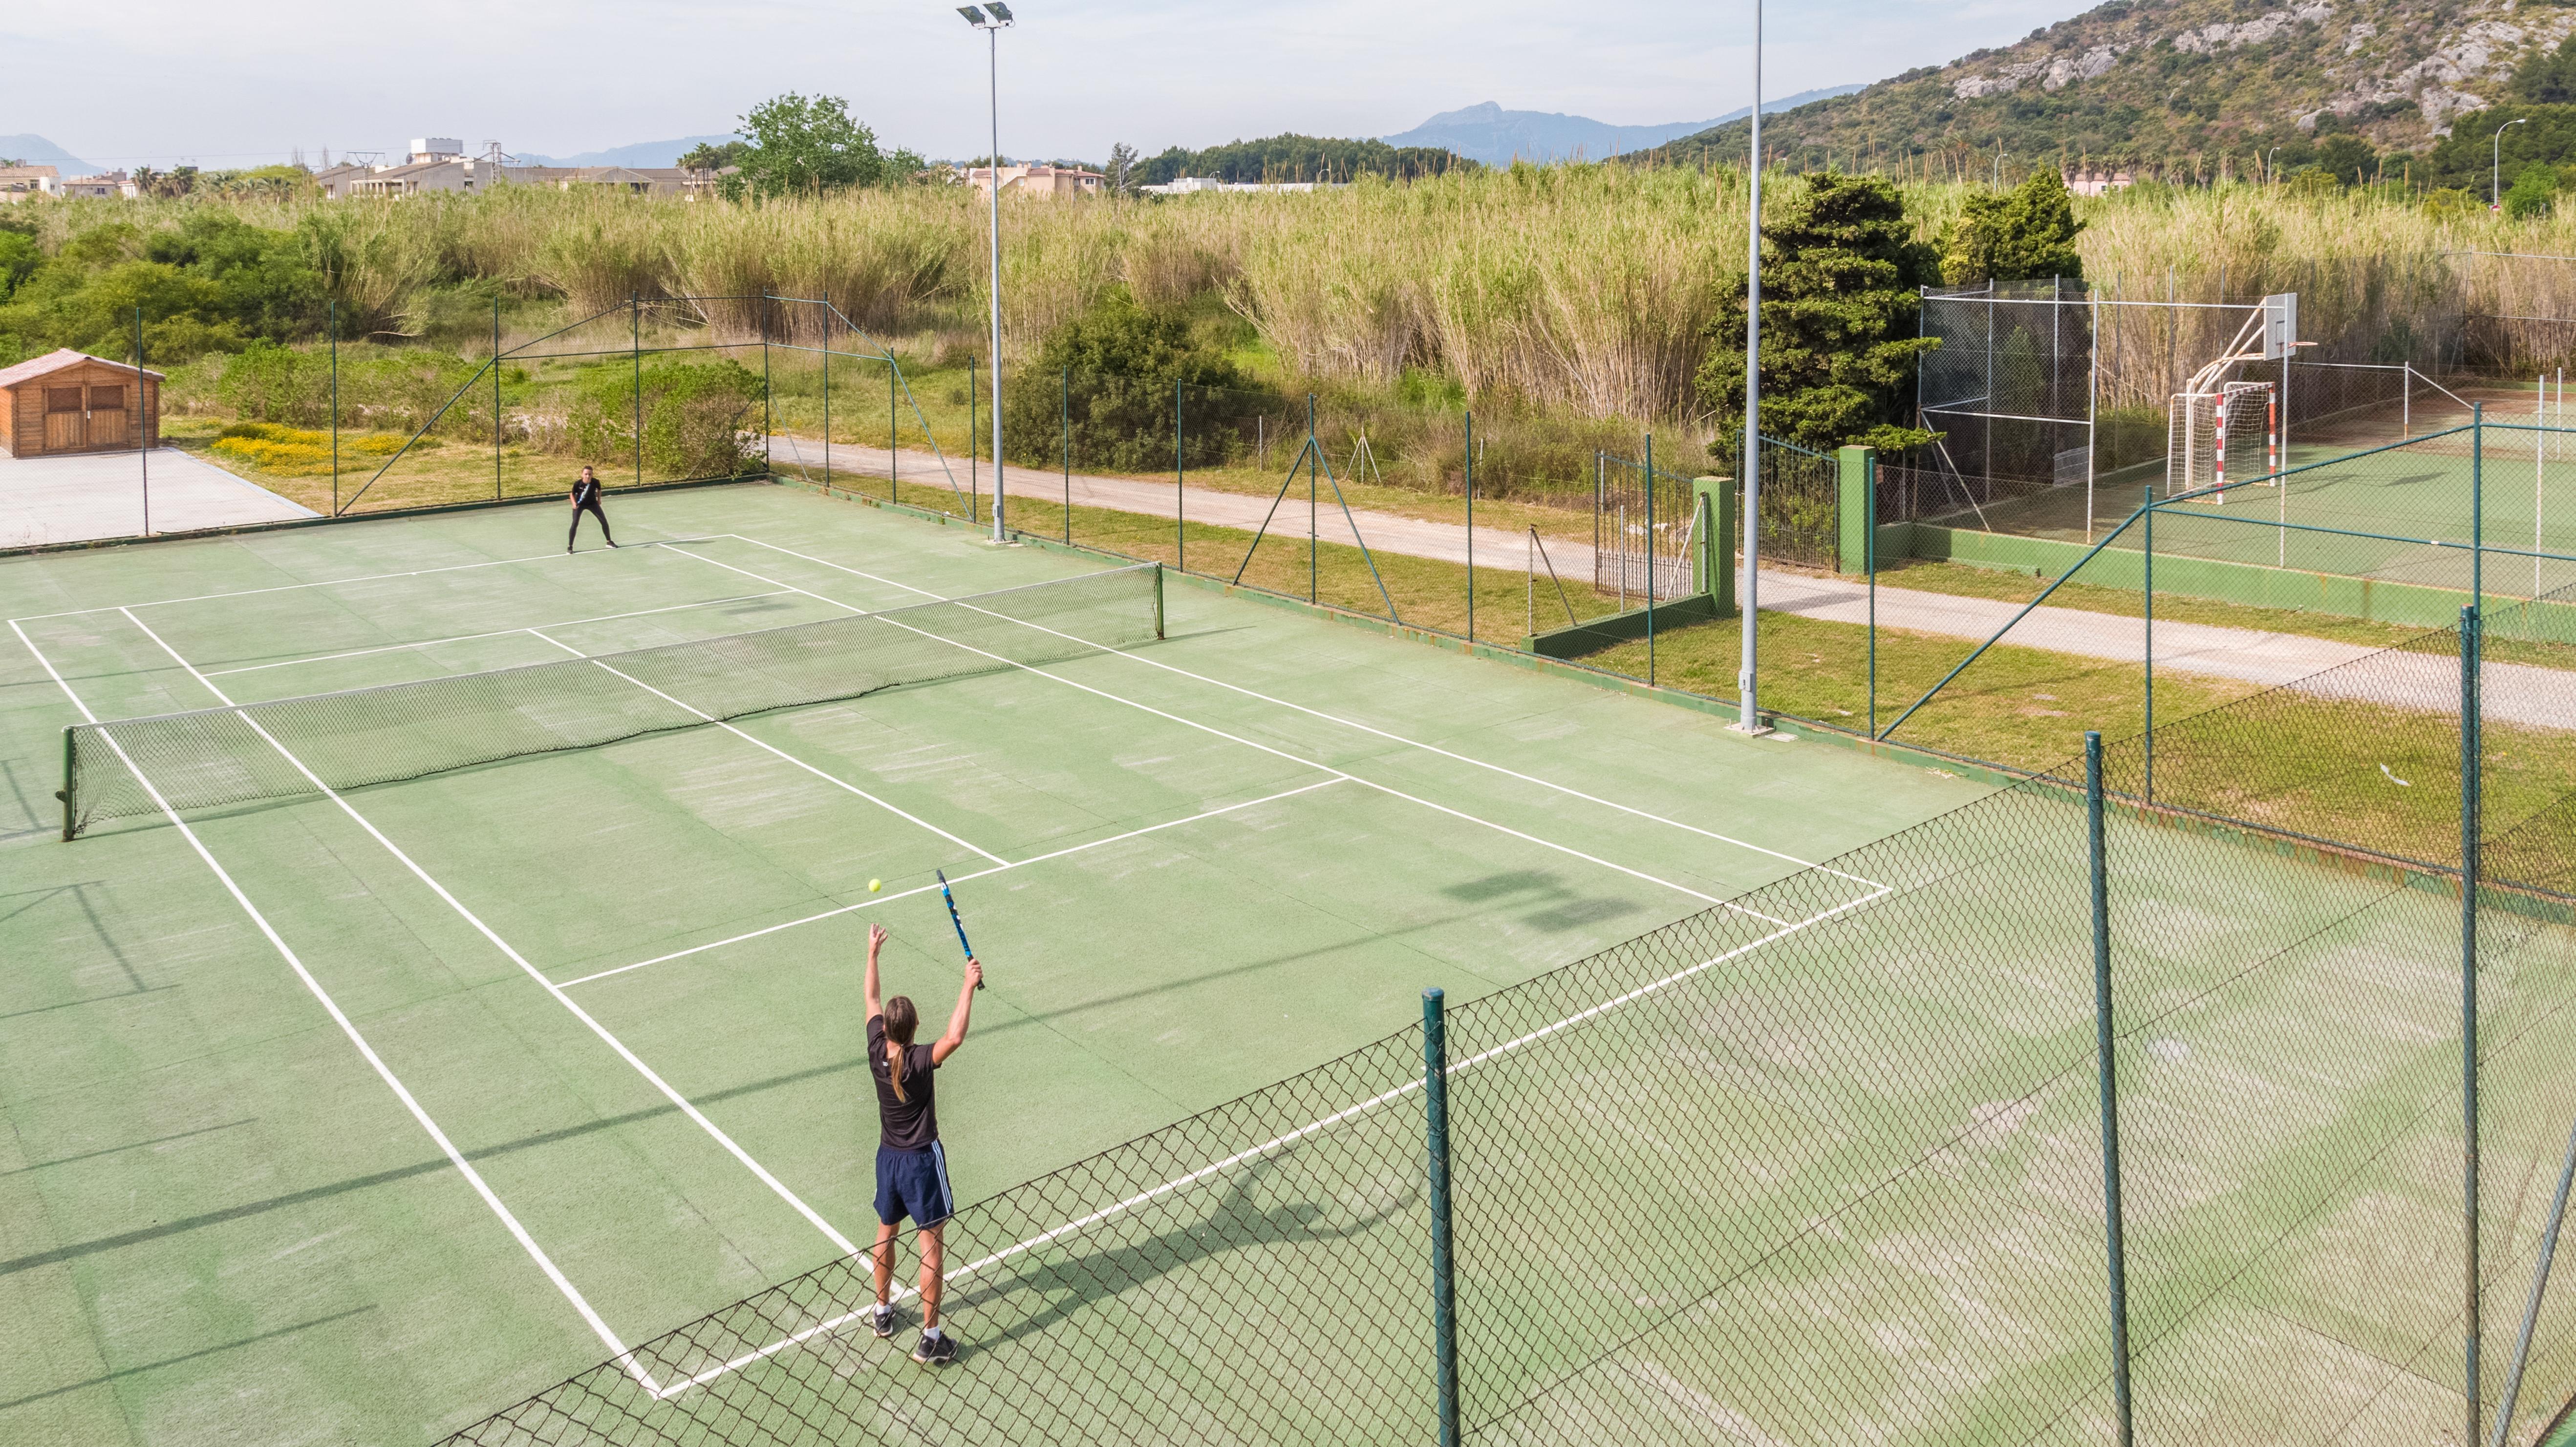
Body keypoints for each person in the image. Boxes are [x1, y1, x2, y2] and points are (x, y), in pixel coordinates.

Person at [863, 921, 980, 1365]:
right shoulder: (917, 1061)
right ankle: (931, 1338)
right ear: (913, 1028)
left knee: (885, 1231)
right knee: (931, 1243)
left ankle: (883, 1312)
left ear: (888, 1030)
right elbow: (954, 1037)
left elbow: (872, 999)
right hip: (921, 1164)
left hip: (888, 1159)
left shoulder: (879, 1052)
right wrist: (968, 985)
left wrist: (873, 954)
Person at [567, 465, 616, 552]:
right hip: (580, 505)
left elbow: (599, 490)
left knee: (604, 521)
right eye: (586, 474)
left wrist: (599, 500)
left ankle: (609, 542)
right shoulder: (578, 484)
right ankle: (570, 547)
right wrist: (574, 504)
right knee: (575, 523)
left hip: (593, 504)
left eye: (590, 474)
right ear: (582, 475)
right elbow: (572, 494)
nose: (588, 476)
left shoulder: (595, 482)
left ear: (592, 475)